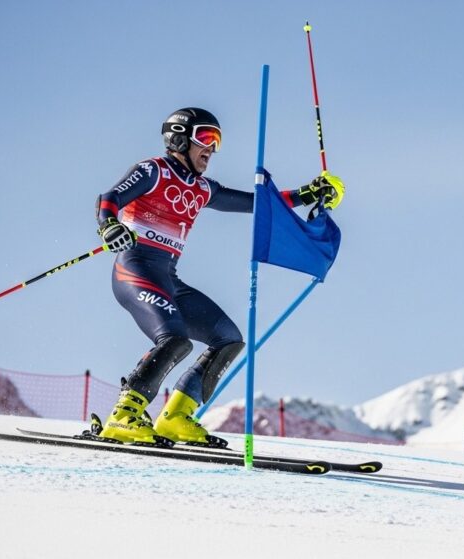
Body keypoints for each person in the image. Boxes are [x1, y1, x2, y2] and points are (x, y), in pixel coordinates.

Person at [92, 107, 344, 447]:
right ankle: (124, 415)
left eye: (217, 142)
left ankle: (176, 417)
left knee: (229, 338)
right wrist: (110, 225)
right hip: (134, 269)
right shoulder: (154, 170)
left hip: (168, 277)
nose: (211, 149)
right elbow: (110, 198)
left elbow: (258, 204)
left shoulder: (203, 188)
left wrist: (308, 194)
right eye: (206, 138)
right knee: (175, 340)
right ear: (179, 138)